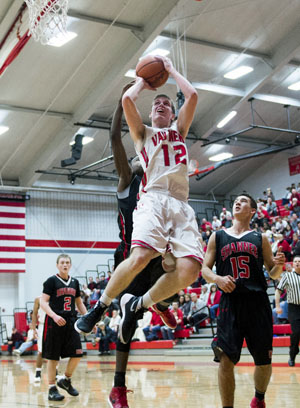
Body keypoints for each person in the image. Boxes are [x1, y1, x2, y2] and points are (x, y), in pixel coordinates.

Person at [75, 56, 203, 346]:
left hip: (181, 205)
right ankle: (100, 307)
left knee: (190, 270)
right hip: (154, 200)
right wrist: (142, 81)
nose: (160, 105)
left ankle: (143, 303)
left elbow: (192, 95)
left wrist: (170, 71)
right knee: (141, 257)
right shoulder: (143, 133)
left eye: (167, 104)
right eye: (156, 103)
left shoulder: (179, 130)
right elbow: (128, 103)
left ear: (173, 114)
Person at [76, 83, 178, 408]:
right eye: (136, 158)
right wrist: (124, 102)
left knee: (179, 270)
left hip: (158, 256)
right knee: (129, 321)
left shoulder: (160, 185)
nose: (139, 159)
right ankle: (117, 388)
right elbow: (115, 139)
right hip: (131, 255)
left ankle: (161, 305)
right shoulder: (126, 182)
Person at [202, 193, 285, 408]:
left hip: (257, 303)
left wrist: (279, 264)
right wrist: (218, 279)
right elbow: (204, 270)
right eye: (236, 201)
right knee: (225, 360)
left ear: (253, 211)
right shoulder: (217, 236)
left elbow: (273, 273)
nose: (238, 203)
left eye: (244, 201)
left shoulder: (260, 238)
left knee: (263, 361)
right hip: (230, 304)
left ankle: (259, 398)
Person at [41, 254, 87, 401]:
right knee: (53, 358)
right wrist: (54, 316)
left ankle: (65, 380)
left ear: (70, 265)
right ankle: (51, 388)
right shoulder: (51, 281)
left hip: (71, 322)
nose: (65, 265)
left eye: (67, 262)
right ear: (57, 265)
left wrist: (88, 318)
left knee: (77, 353)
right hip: (54, 323)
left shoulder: (75, 282)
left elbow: (79, 303)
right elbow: (43, 302)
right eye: (62, 263)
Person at [275, 255, 300, 366]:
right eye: (296, 261)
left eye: (299, 261)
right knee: (296, 332)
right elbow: (278, 291)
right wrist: (278, 306)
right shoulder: (288, 276)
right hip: (294, 308)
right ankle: (292, 355)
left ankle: (294, 351)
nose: (298, 263)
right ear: (293, 264)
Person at [30, 296, 47, 382]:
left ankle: (55, 372)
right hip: (42, 325)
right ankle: (38, 372)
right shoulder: (38, 299)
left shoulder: (56, 297)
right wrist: (33, 329)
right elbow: (34, 314)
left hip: (54, 325)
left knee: (55, 351)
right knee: (41, 351)